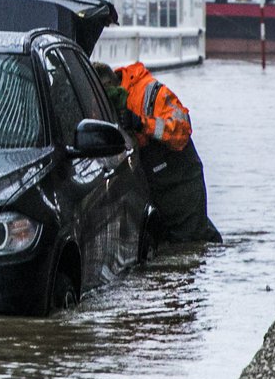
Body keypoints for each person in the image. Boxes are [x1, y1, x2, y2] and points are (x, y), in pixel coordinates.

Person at [93, 61, 222, 245]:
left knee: (191, 243)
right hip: (153, 183)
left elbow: (182, 130)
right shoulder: (101, 101)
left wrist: (141, 123)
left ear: (110, 87)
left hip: (180, 178)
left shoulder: (151, 93)